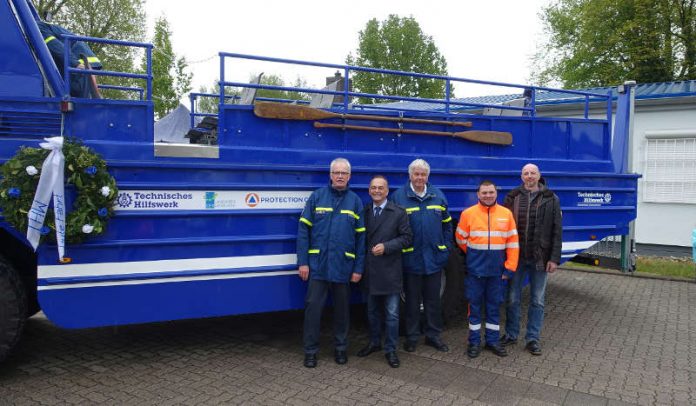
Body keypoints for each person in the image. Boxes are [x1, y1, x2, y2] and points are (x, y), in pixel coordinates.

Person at [297, 158, 365, 368]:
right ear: (330, 175)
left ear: (349, 176)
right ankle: (310, 351)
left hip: (343, 267)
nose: (340, 176)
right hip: (317, 267)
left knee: (342, 312)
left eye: (344, 173)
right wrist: (303, 262)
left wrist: (358, 268)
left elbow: (361, 239)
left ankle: (341, 349)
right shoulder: (317, 197)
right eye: (336, 172)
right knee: (313, 311)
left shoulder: (355, 201)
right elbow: (303, 231)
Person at [391, 159, 452, 353]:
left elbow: (447, 225)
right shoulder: (399, 197)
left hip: (434, 259)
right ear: (410, 175)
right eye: (416, 174)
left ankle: (433, 336)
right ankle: (412, 337)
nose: (419, 178)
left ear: (428, 176)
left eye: (423, 174)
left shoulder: (438, 195)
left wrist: (445, 248)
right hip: (411, 259)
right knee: (412, 302)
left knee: (433, 301)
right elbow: (392, 229)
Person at [500, 163, 562, 356]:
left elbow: (557, 230)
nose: (529, 176)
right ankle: (511, 334)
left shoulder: (551, 198)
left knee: (537, 300)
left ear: (539, 176)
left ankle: (532, 338)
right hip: (516, 257)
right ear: (521, 176)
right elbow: (503, 227)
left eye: (532, 173)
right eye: (526, 173)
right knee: (512, 298)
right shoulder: (512, 197)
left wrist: (554, 258)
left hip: (540, 258)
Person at [456, 180, 519, 358]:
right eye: (484, 192)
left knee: (494, 307)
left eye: (491, 192)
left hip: (497, 273)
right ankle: (474, 342)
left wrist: (510, 268)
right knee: (474, 308)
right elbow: (460, 238)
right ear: (478, 194)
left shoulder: (506, 214)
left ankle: (492, 341)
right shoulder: (468, 214)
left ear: (496, 193)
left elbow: (513, 243)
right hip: (475, 272)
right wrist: (475, 256)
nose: (488, 195)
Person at [357, 175, 412, 368]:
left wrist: (387, 247)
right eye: (373, 188)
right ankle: (374, 343)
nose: (377, 191)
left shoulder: (398, 212)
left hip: (390, 271)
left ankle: (391, 349)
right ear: (369, 190)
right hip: (371, 271)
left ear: (387, 191)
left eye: (381, 188)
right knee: (372, 312)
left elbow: (407, 238)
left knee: (392, 314)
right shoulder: (364, 212)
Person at [36, 20, 102, 98]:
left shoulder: (38, 27)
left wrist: (75, 63)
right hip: (85, 61)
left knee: (81, 99)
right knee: (87, 95)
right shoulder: (46, 27)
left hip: (80, 60)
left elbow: (57, 46)